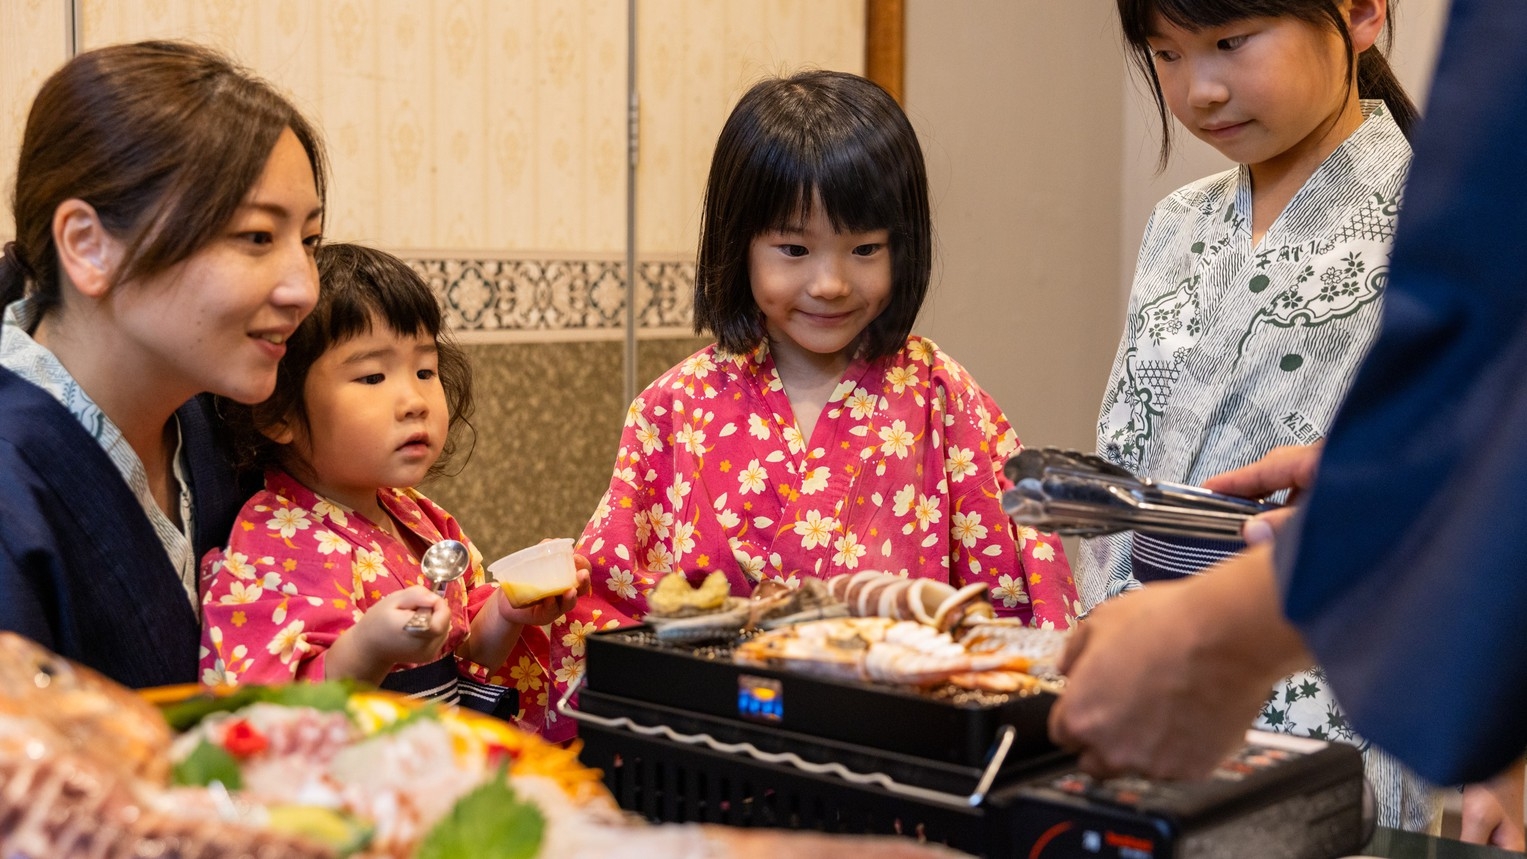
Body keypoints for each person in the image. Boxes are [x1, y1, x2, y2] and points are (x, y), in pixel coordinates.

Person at [1051, 0, 1527, 841]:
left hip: (1327, 724)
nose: (1198, 90)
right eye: (1165, 55)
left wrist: (1510, 756)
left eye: (1231, 43)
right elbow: (1123, 464)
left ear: (1360, 13)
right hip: (1146, 690)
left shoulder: (1437, 225)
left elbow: (1491, 490)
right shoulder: (1174, 226)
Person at [548, 70, 1078, 725]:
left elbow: (1018, 594)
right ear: (737, 244)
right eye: (793, 249)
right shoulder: (672, 408)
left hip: (897, 747)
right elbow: (608, 603)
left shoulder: (943, 398)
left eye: (864, 249)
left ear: (902, 248)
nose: (829, 283)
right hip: (712, 749)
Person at [0, 41, 326, 689]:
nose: (304, 287)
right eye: (256, 236)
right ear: (89, 245)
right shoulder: (13, 480)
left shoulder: (217, 422)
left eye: (309, 241)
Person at [199, 243, 589, 730]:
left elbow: (465, 658)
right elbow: (270, 712)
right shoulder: (271, 542)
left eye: (425, 370)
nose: (415, 400)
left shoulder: (419, 517)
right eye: (372, 376)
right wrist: (369, 648)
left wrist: (508, 611)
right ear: (279, 412)